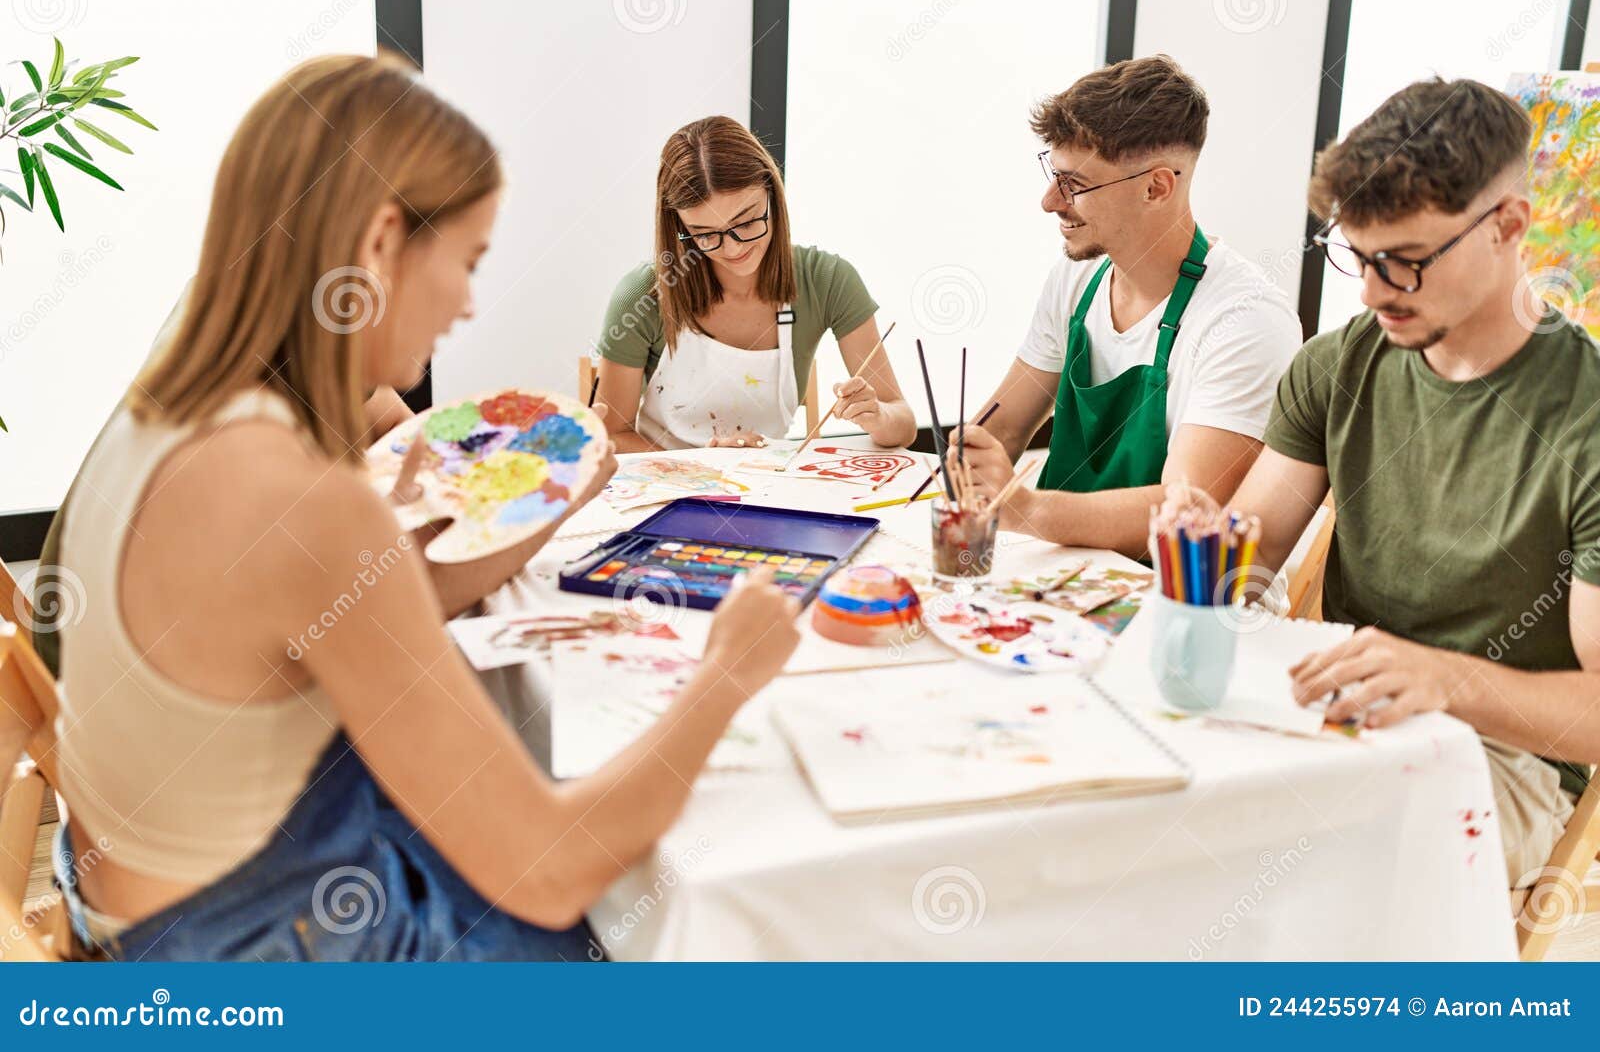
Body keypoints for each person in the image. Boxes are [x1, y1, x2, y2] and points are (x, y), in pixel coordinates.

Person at [46, 54, 802, 961]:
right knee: (655, 929)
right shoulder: (302, 499)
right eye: (468, 261)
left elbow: (377, 603)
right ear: (378, 245)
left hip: (144, 899)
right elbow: (552, 865)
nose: (468, 303)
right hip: (253, 951)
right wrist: (726, 673)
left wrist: (551, 502)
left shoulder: (176, 407)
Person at [1168, 77, 1599, 888]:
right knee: (1155, 821)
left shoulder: (1587, 422)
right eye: (1357, 257)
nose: (1369, 293)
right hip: (1336, 712)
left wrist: (1446, 678)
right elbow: (1247, 568)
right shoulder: (1339, 364)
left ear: (1509, 226)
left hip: (1498, 760)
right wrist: (1205, 549)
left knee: (1309, 875)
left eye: (1403, 263)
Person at [956, 56, 1301, 557]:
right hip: (1062, 572)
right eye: (1054, 175)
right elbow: (1004, 427)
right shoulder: (1075, 279)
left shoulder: (1246, 321)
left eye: (1074, 183)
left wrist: (1026, 508)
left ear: (1156, 187)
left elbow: (1183, 512)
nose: (1050, 201)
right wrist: (971, 461)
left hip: (1174, 597)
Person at [594, 115, 915, 452]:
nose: (733, 248)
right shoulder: (643, 296)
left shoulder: (827, 280)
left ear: (773, 195)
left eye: (746, 222)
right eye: (705, 235)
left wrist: (878, 416)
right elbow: (611, 435)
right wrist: (698, 467)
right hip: (665, 489)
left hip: (768, 488)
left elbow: (903, 425)